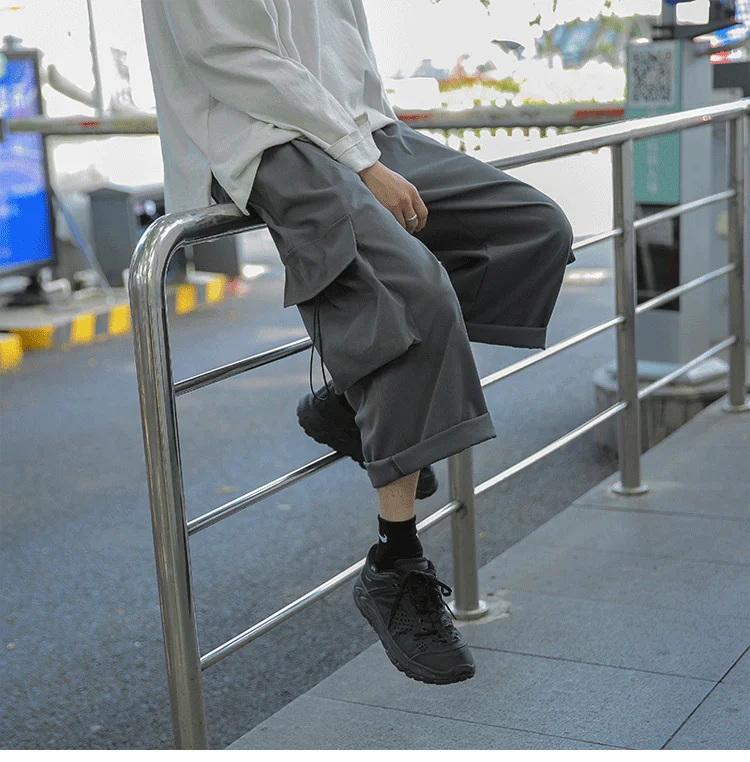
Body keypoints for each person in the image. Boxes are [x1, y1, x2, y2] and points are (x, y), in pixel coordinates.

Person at [141, 0, 574, 685]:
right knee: (412, 295)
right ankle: (394, 564)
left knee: (531, 229)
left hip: (358, 125)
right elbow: (229, 55)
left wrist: (369, 137)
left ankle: (357, 404)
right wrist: (361, 161)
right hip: (259, 135)